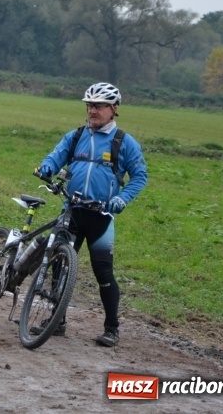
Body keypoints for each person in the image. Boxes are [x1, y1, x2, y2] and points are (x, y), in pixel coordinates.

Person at [36, 82, 148, 347]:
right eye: (89, 105)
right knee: (59, 264)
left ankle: (112, 328)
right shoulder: (76, 136)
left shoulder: (124, 142)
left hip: (101, 217)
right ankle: (57, 320)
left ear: (114, 109)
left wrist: (122, 198)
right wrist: (46, 168)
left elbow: (140, 176)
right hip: (72, 211)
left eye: (98, 106)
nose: (92, 111)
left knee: (103, 273)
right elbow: (55, 157)